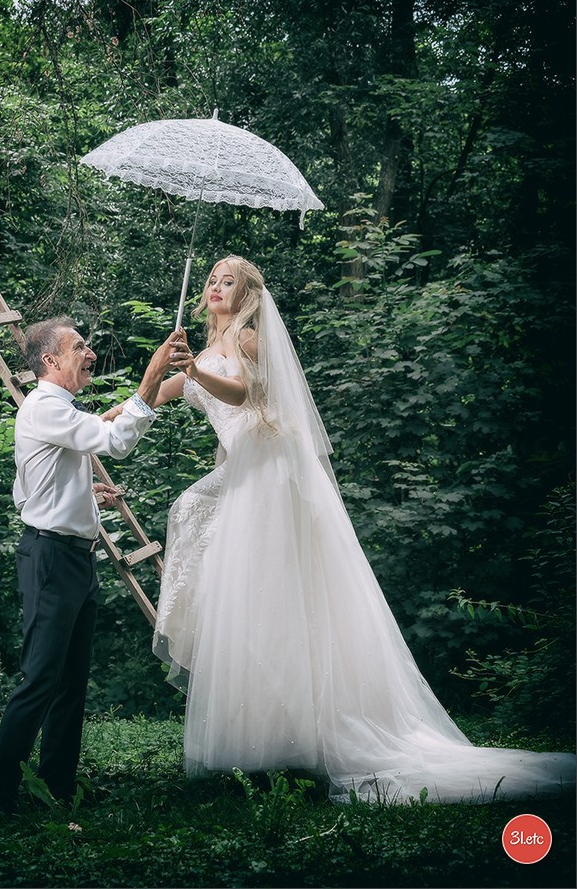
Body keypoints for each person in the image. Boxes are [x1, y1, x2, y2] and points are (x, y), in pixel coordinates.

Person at [148, 256, 575, 804]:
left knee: (277, 594)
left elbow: (243, 395)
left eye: (227, 281)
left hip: (270, 478)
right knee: (240, 589)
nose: (214, 288)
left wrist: (195, 370)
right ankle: (265, 734)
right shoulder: (203, 352)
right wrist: (115, 413)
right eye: (210, 281)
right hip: (241, 477)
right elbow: (158, 394)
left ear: (249, 294)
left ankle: (312, 733)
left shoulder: (250, 340)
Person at [0, 315, 177, 814]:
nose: (89, 353)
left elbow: (32, 486)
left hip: (75, 560)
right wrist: (151, 378)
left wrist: (86, 492)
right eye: (79, 347)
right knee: (40, 680)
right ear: (50, 360)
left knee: (70, 684)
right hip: (50, 558)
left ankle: (58, 790)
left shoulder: (60, 409)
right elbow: (114, 441)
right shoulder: (44, 405)